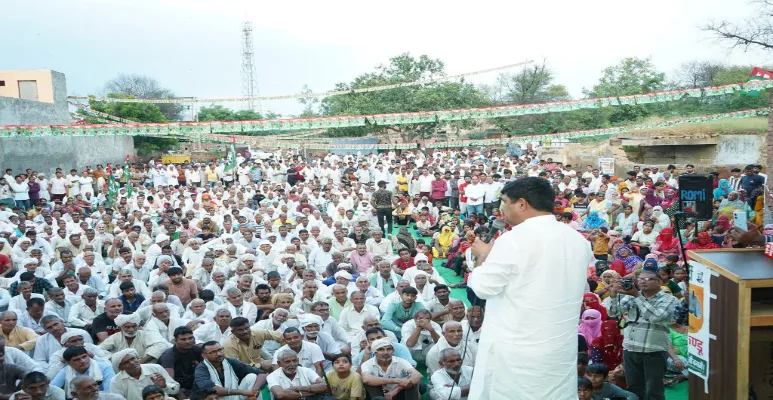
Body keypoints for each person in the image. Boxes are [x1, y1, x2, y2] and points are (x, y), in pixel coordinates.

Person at [468, 177, 593, 399]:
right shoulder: (578, 240)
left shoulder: (514, 239)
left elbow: (483, 288)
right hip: (559, 349)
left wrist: (483, 257)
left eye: (504, 202)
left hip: (517, 351)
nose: (501, 209)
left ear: (522, 204)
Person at [609, 268, 679, 400]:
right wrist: (613, 295)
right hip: (630, 349)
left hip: (653, 351)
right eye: (640, 279)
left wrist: (637, 296)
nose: (642, 282)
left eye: (647, 279)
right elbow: (613, 313)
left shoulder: (669, 299)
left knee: (654, 390)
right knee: (634, 387)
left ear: (658, 282)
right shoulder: (631, 295)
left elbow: (655, 316)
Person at [193, 341, 266, 400]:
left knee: (252, 377)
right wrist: (243, 392)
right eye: (213, 352)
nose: (219, 354)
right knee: (215, 389)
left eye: (220, 350)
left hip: (236, 396)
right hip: (215, 398)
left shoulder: (231, 362)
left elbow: (262, 375)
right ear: (204, 356)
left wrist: (255, 391)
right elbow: (214, 390)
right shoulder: (201, 369)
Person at [109, 348, 180, 400]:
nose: (132, 363)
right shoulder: (116, 381)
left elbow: (175, 390)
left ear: (138, 358)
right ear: (121, 368)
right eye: (126, 362)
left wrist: (164, 386)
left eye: (133, 359)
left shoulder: (155, 368)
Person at [266, 350, 330, 400]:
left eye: (294, 361)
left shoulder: (307, 371)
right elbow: (280, 395)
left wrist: (297, 388)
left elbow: (323, 386)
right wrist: (311, 391)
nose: (292, 364)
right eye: (287, 362)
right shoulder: (272, 376)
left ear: (298, 361)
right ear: (279, 364)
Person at [50, 346, 115, 395]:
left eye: (84, 357)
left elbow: (109, 391)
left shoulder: (105, 367)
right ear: (69, 363)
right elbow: (52, 389)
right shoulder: (65, 371)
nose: (82, 361)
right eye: (76, 360)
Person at [159, 327, 202, 397]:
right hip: (175, 387)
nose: (188, 341)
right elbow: (170, 382)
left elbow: (208, 368)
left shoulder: (196, 349)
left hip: (192, 384)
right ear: (175, 340)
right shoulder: (168, 356)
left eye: (190, 338)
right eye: (183, 339)